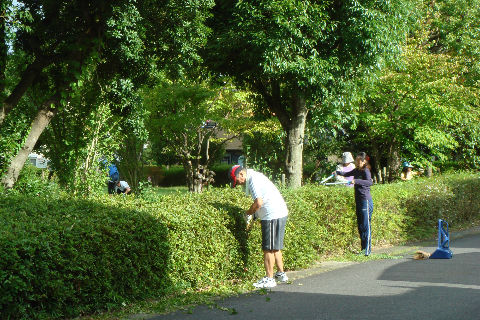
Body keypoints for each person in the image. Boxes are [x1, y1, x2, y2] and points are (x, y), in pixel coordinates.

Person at [229, 165, 288, 288]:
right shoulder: (256, 176)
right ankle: (281, 274)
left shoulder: (252, 180)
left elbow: (259, 202)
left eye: (237, 181)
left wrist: (248, 213)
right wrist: (255, 215)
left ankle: (269, 279)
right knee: (276, 247)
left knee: (268, 248)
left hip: (271, 215)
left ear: (241, 174)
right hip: (280, 212)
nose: (238, 184)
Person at [335, 152, 373, 256]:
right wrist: (337, 172)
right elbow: (346, 174)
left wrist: (356, 181)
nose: (356, 162)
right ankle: (362, 249)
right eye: (356, 161)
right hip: (358, 201)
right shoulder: (356, 170)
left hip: (365, 200)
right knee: (360, 225)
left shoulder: (366, 171)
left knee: (366, 226)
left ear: (364, 161)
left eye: (358, 161)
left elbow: (370, 182)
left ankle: (367, 250)